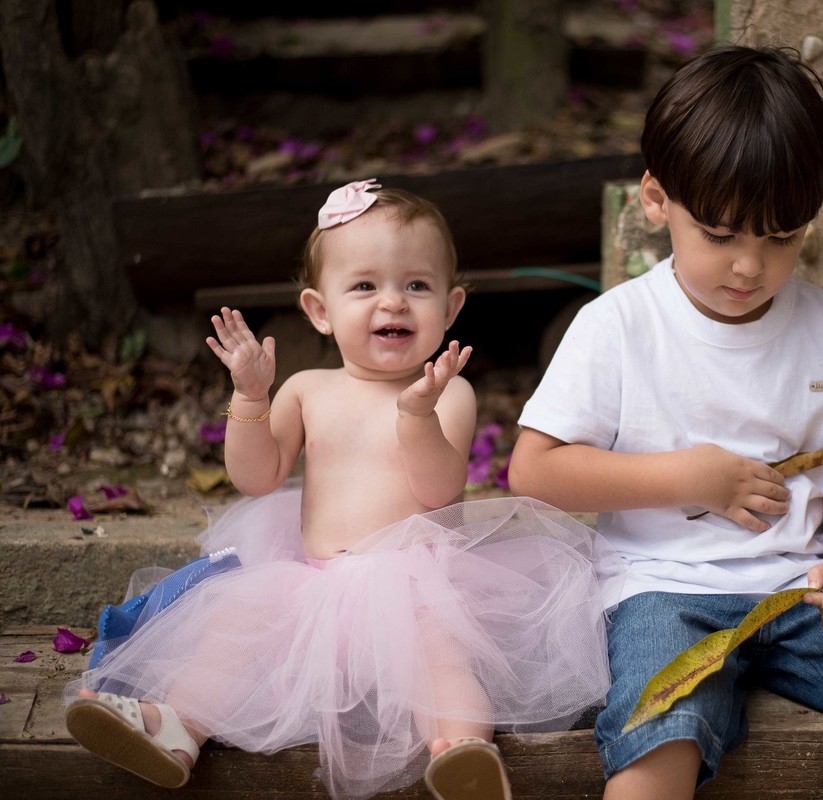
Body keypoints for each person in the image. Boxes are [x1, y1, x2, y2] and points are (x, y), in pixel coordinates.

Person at [507, 45, 823, 800]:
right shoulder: (619, 327)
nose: (749, 267)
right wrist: (687, 478)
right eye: (721, 235)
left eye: (780, 238)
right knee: (662, 720)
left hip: (800, 593)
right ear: (657, 200)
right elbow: (535, 471)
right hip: (661, 590)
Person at [65, 181, 615, 800]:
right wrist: (250, 396)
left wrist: (417, 416)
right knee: (234, 630)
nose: (394, 302)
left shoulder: (448, 393)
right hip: (313, 584)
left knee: (441, 652)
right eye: (365, 285)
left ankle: (464, 751)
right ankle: (177, 727)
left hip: (415, 580)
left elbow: (439, 492)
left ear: (451, 306)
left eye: (417, 285)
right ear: (319, 309)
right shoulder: (306, 388)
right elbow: (256, 477)